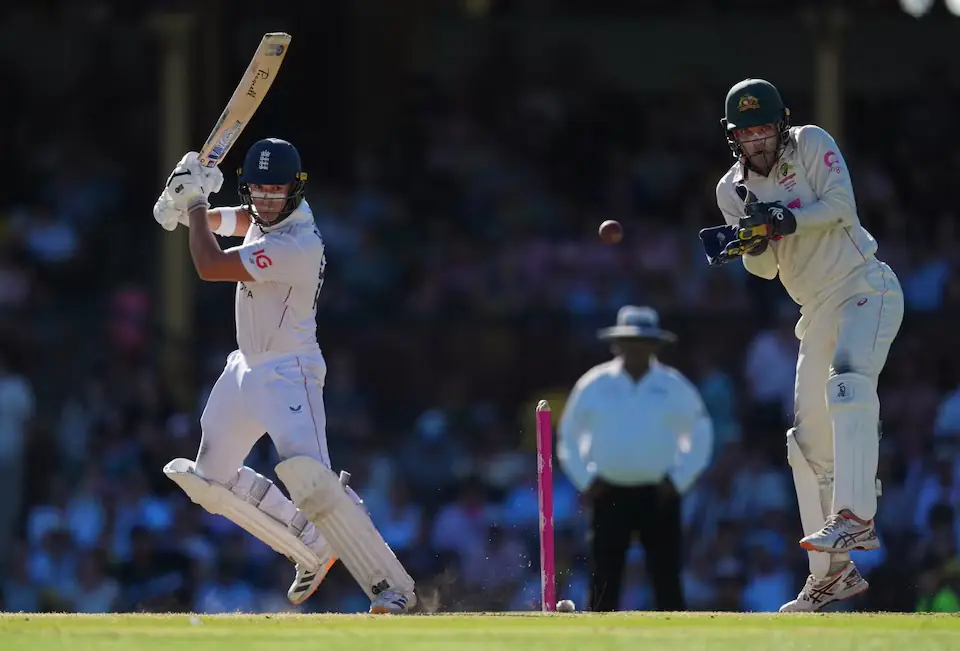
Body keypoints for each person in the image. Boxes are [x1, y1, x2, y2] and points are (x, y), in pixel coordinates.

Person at [152, 139, 416, 614]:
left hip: (290, 371)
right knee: (209, 481)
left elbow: (211, 265)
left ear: (295, 190)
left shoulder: (300, 242)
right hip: (246, 366)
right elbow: (229, 221)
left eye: (276, 192)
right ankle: (308, 547)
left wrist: (192, 204)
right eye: (259, 191)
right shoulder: (260, 212)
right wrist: (188, 205)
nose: (267, 201)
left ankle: (391, 588)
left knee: (313, 483)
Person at [714, 79, 904, 612]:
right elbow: (766, 269)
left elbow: (841, 208)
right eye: (746, 132)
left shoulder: (812, 143)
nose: (757, 140)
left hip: (866, 286)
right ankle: (831, 576)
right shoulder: (732, 191)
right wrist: (751, 241)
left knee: (847, 384)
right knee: (805, 446)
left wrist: (783, 218)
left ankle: (855, 517)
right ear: (734, 138)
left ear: (781, 123)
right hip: (814, 309)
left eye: (764, 128)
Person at [557, 306, 713, 612]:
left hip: (660, 492)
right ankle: (599, 640)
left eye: (643, 343)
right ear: (617, 344)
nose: (636, 349)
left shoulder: (673, 386)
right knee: (604, 573)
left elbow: (701, 433)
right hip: (608, 491)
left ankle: (675, 640)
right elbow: (568, 435)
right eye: (629, 342)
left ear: (655, 346)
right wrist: (586, 480)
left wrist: (678, 480)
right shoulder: (595, 384)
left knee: (666, 574)